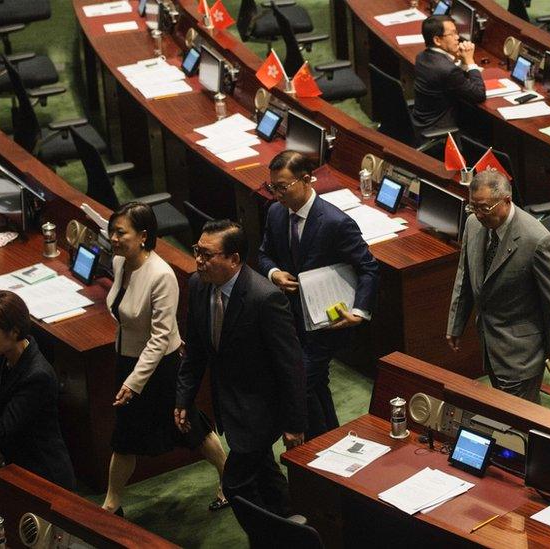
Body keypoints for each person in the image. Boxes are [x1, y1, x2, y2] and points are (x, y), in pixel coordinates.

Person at [102, 202, 229, 516]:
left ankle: (229, 479)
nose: (113, 238)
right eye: (112, 231)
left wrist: (134, 383)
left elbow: (159, 338)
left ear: (143, 235)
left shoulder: (162, 276)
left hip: (160, 366)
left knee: (188, 425)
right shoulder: (120, 263)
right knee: (126, 435)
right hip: (127, 361)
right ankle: (111, 502)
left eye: (121, 232)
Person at [176, 220, 307, 517]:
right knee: (265, 476)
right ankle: (294, 527)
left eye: (207, 255)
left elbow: (291, 366)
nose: (198, 260)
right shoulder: (198, 286)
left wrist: (294, 423)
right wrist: (184, 397)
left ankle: (268, 535)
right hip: (229, 403)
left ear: (234, 259)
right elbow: (196, 350)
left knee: (235, 484)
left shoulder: (265, 298)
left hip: (262, 408)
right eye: (198, 250)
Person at [257, 151, 378, 440]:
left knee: (297, 386)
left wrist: (359, 313)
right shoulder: (276, 212)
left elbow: (368, 269)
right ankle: (329, 443)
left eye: (283, 187)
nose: (277, 194)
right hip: (290, 319)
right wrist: (274, 273)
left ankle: (304, 444)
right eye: (273, 187)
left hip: (326, 323)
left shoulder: (335, 222)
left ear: (306, 180)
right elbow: (263, 255)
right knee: (315, 387)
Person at [446, 171, 550, 403]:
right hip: (489, 342)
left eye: (484, 208)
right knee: (509, 413)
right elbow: (465, 275)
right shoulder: (474, 224)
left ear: (506, 200)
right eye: (473, 207)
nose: (478, 214)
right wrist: (456, 323)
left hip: (521, 351)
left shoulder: (537, 240)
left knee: (517, 420)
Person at [0, 291, 76, 489]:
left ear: (14, 332)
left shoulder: (37, 376)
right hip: (20, 468)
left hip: (45, 476)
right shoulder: (5, 357)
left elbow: (0, 433)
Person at [411, 15, 486, 141]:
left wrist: (462, 63)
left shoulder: (422, 57)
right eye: (452, 34)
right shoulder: (448, 70)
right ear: (437, 40)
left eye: (456, 32)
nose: (457, 37)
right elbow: (479, 95)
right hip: (440, 131)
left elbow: (451, 81)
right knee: (484, 127)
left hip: (420, 124)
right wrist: (469, 60)